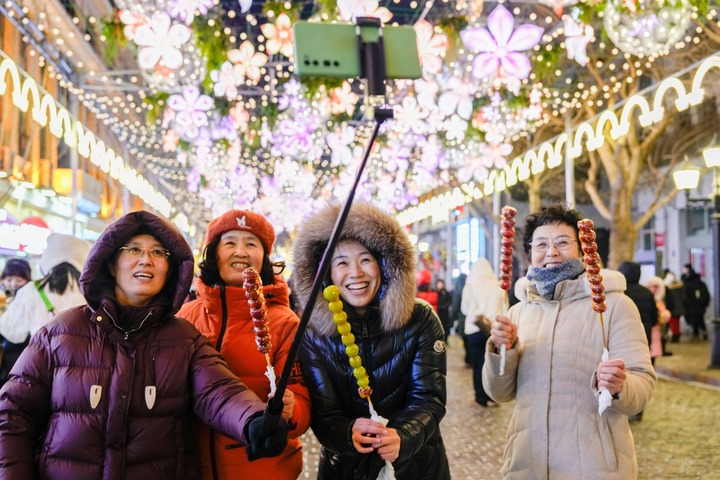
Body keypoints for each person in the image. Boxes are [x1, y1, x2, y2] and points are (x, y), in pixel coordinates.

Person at [0, 210, 288, 479]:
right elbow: (13, 415)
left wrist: (253, 420)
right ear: (111, 263)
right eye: (134, 249)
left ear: (170, 269)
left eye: (158, 252)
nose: (146, 260)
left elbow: (219, 391)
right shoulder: (61, 333)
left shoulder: (185, 340)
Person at [483, 205, 656, 478]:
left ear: (582, 248)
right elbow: (499, 393)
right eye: (541, 244)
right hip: (528, 464)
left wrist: (619, 386)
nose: (551, 251)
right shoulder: (517, 312)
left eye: (562, 242)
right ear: (530, 251)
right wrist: (500, 350)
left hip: (594, 467)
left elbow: (642, 387)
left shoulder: (615, 306)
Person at [293, 202, 450, 480]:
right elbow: (324, 412)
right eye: (342, 263)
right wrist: (346, 433)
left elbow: (429, 397)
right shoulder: (314, 332)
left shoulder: (421, 319)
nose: (356, 273)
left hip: (417, 466)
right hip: (345, 470)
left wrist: (404, 436)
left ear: (385, 264)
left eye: (365, 259)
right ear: (327, 273)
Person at [177, 209, 311, 479]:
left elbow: (303, 405)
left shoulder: (285, 322)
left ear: (264, 258)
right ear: (214, 254)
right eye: (230, 243)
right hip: (194, 467)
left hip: (263, 468)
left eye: (251, 244)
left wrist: (291, 410)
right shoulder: (185, 317)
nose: (240, 252)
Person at [0, 234, 91, 387]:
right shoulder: (91, 292)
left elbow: (13, 333)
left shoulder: (33, 289)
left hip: (40, 368)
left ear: (49, 255)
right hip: (82, 370)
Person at [461, 258, 505, 407]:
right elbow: (504, 308)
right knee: (491, 364)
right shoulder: (498, 287)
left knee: (478, 364)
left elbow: (464, 309)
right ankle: (492, 396)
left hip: (474, 329)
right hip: (493, 330)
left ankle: (480, 398)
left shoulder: (470, 286)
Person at [617, 261, 659, 365]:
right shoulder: (647, 293)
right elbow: (654, 318)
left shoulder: (619, 292)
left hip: (623, 338)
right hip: (644, 337)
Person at [644, 276, 672, 357]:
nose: (653, 289)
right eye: (652, 286)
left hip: (655, 327)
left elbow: (664, 313)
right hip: (650, 325)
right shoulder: (648, 298)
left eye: (656, 286)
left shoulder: (658, 301)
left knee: (652, 350)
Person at [681, 263, 710, 341]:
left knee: (695, 319)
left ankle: (696, 334)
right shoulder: (700, 283)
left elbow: (685, 295)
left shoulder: (688, 283)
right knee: (700, 319)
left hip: (692, 305)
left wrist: (685, 303)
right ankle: (702, 332)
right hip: (699, 305)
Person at [450, 272, 470, 364]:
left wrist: (452, 320)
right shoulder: (470, 288)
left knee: (464, 336)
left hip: (462, 317)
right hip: (470, 317)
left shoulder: (458, 290)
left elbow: (455, 306)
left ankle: (468, 357)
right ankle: (469, 357)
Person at [662, 269, 685, 343]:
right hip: (679, 307)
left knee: (673, 322)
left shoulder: (668, 288)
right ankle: (676, 335)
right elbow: (683, 297)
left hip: (673, 307)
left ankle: (675, 336)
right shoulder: (680, 286)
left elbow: (669, 299)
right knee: (676, 322)